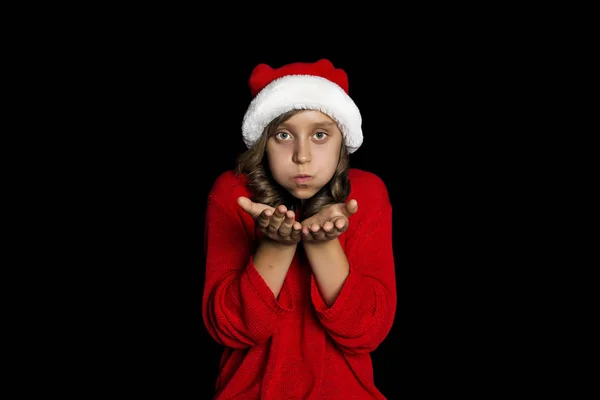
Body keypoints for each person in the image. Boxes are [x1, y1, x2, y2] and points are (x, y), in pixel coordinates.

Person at [202, 58, 396, 399]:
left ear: (342, 140)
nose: (301, 155)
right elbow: (232, 330)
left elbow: (366, 332)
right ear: (264, 140)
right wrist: (276, 245)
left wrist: (324, 244)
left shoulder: (367, 194)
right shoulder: (233, 194)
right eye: (283, 134)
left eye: (320, 134)